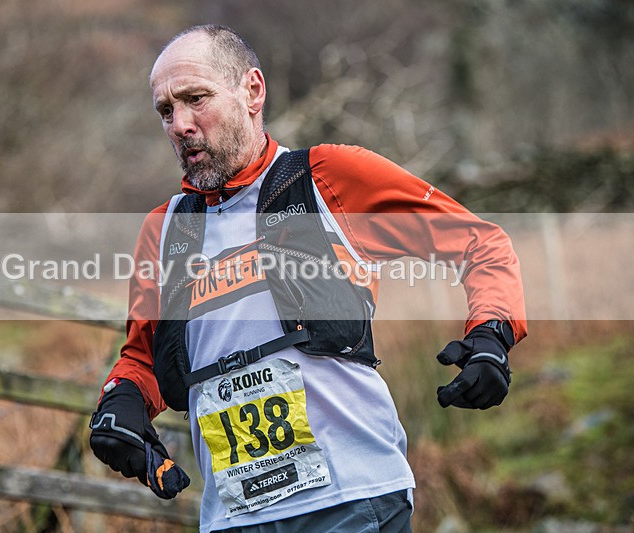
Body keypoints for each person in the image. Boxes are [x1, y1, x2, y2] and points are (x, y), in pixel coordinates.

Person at [89, 24, 526, 532]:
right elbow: (142, 357)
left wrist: (491, 334)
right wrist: (120, 402)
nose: (180, 123)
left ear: (252, 91)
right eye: (166, 110)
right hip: (233, 516)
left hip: (352, 499)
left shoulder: (328, 178)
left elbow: (480, 243)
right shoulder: (165, 230)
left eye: (196, 99)